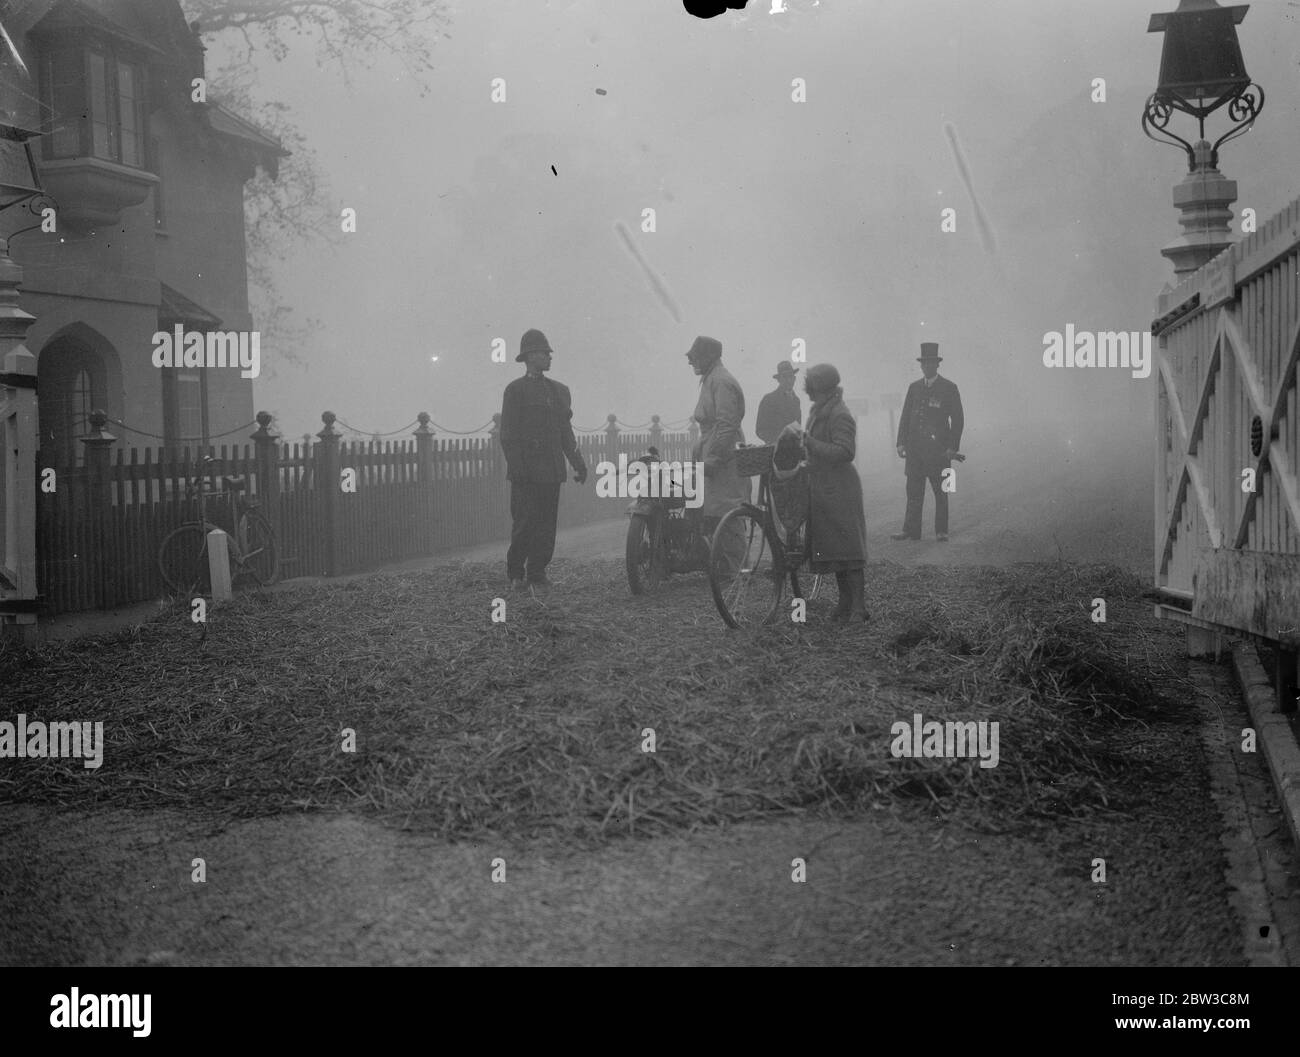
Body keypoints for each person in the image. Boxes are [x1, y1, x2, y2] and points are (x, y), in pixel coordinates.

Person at [498, 328, 588, 591]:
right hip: (526, 472)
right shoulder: (514, 391)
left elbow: (565, 433)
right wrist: (518, 468)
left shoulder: (559, 391)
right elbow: (508, 436)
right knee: (524, 523)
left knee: (547, 526)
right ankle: (516, 574)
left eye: (548, 352)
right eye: (543, 353)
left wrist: (578, 463)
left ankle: (537, 572)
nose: (549, 357)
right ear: (529, 357)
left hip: (551, 471)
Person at [782, 363, 868, 622]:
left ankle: (859, 607)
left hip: (840, 489)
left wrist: (810, 442)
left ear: (823, 389)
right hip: (825, 488)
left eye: (814, 389)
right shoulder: (821, 410)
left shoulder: (839, 414)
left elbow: (845, 452)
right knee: (836, 551)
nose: (810, 394)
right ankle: (845, 602)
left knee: (850, 552)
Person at [687, 335, 749, 569]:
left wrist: (714, 457)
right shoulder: (711, 378)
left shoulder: (721, 381)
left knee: (728, 511)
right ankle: (724, 566)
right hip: (712, 446)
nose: (692, 363)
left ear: (709, 358)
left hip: (724, 453)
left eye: (696, 358)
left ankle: (741, 571)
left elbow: (726, 424)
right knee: (714, 511)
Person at [892, 342, 963, 542]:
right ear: (921, 366)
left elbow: (958, 420)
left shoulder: (949, 388)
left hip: (939, 452)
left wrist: (952, 447)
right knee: (913, 492)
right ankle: (911, 531)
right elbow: (905, 417)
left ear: (937, 365)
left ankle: (941, 531)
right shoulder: (914, 388)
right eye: (924, 363)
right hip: (915, 452)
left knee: (941, 492)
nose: (927, 367)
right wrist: (900, 442)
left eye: (931, 363)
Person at [755, 361, 801, 443]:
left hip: (793, 450)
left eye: (790, 376)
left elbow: (798, 427)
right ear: (779, 380)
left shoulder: (796, 401)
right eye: (785, 377)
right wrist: (776, 441)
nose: (789, 380)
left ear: (794, 378)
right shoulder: (768, 399)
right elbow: (760, 430)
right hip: (774, 449)